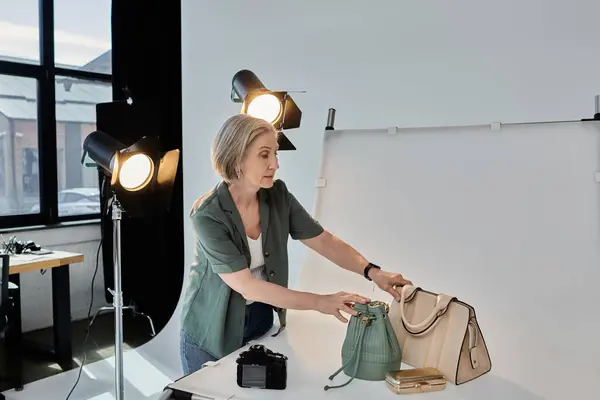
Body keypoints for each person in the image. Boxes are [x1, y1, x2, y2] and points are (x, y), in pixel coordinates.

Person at [179, 114, 412, 375]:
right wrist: (321, 302)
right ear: (237, 157)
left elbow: (324, 240)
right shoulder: (208, 214)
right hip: (211, 334)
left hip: (261, 324)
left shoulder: (277, 195)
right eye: (264, 155)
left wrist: (374, 272)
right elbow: (247, 287)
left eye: (276, 154)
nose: (275, 164)